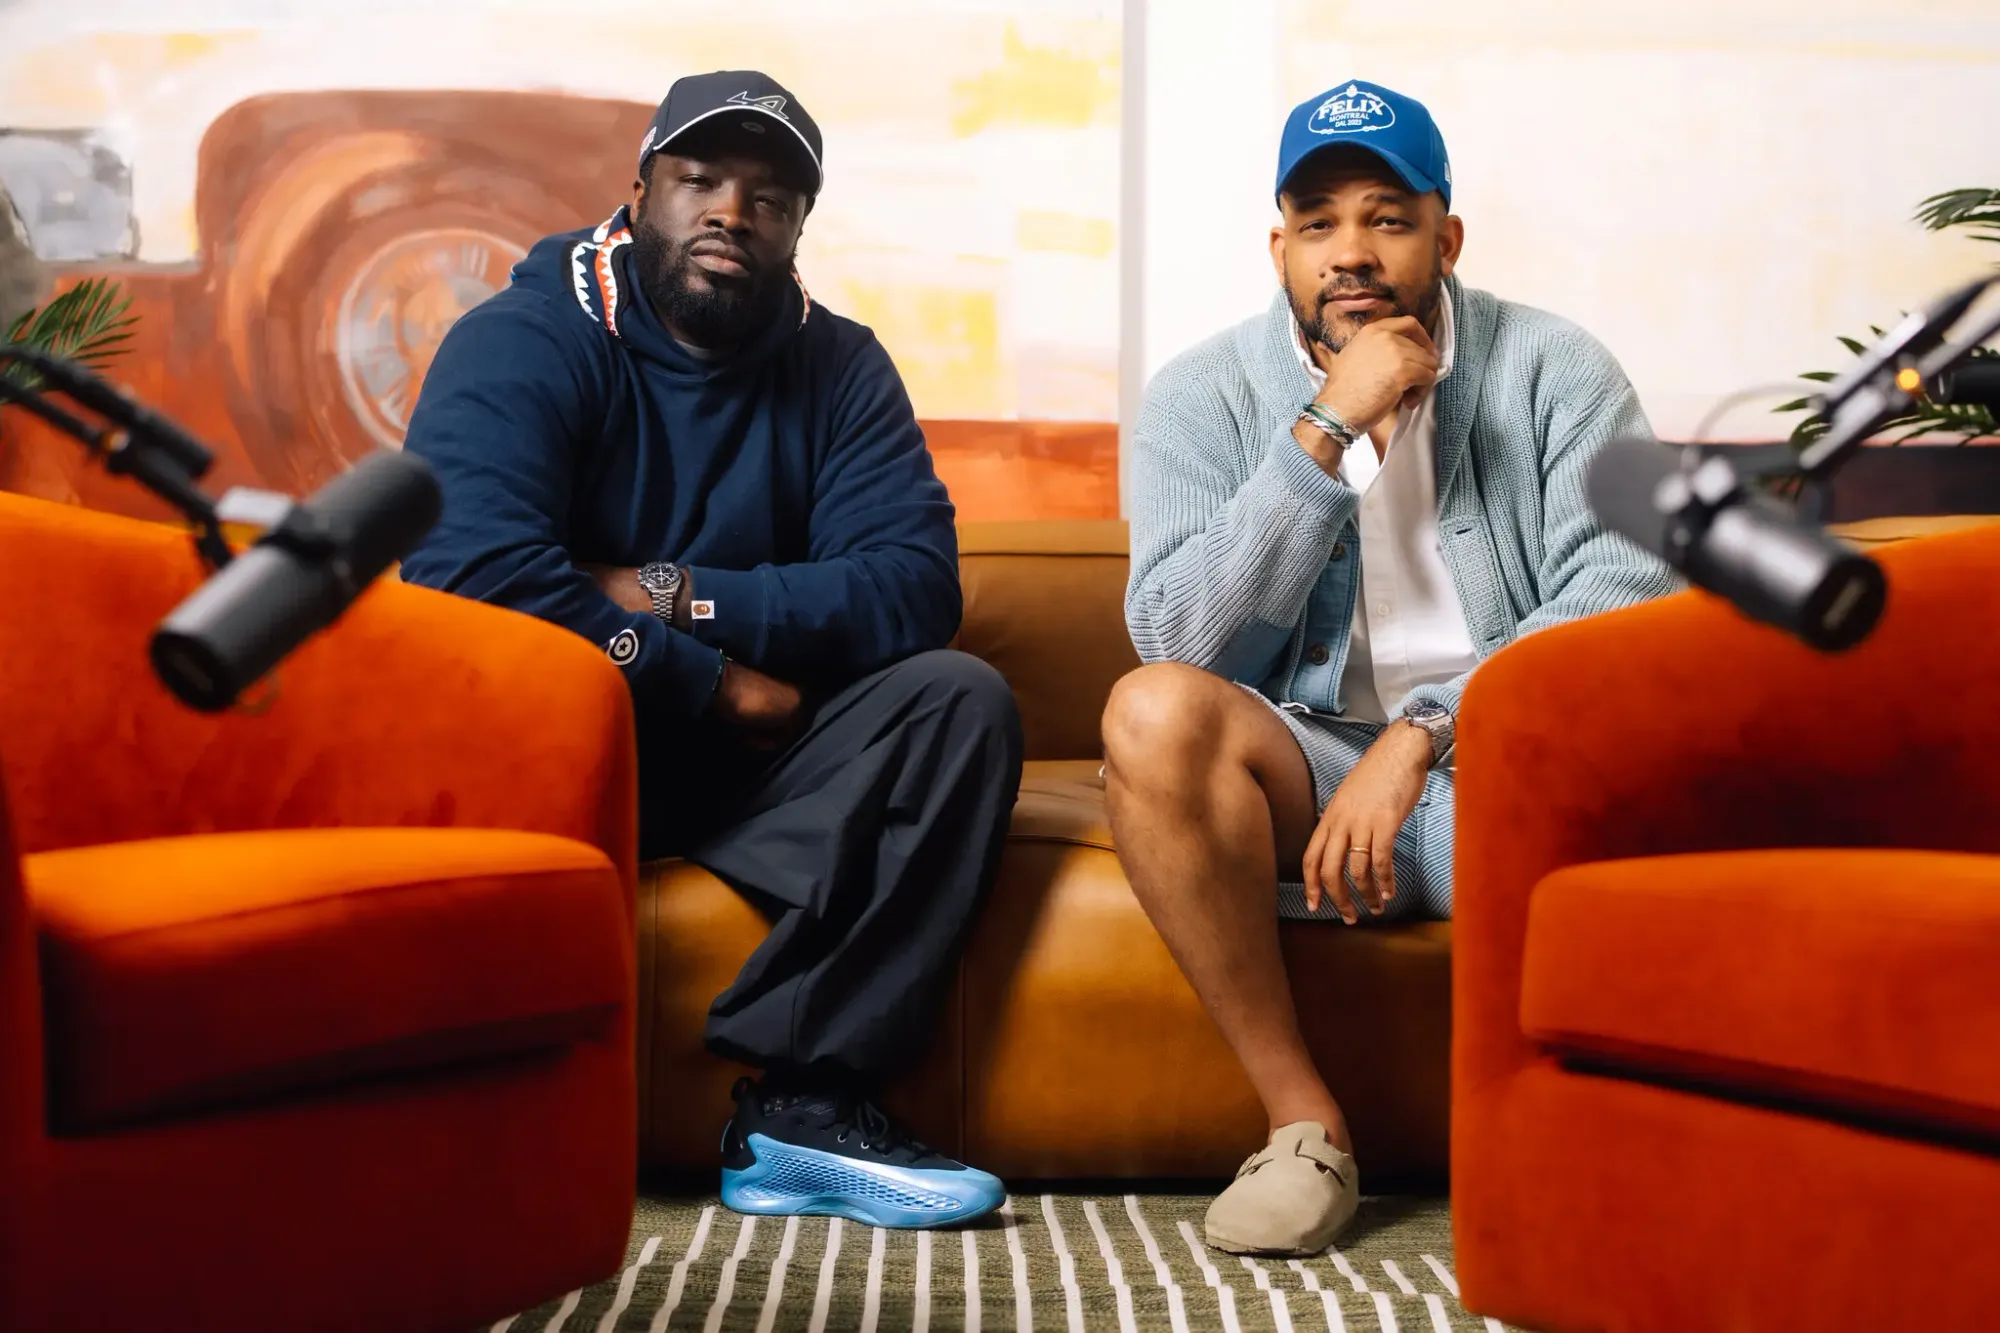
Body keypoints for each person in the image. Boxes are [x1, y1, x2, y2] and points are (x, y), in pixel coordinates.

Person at [397, 71, 1023, 1230]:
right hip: (559, 762)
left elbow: (912, 587)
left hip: (747, 775)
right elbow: (468, 571)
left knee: (956, 700)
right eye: (699, 180)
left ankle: (804, 1109)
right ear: (638, 195)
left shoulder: (838, 367)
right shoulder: (527, 337)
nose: (733, 212)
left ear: (796, 230)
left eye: (770, 196)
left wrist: (679, 592)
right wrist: (707, 680)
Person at [1103, 79, 1676, 1256]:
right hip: (1302, 771)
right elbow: (1179, 643)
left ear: (1444, 237)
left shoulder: (1555, 371)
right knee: (1150, 710)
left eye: (1385, 216)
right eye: (1316, 222)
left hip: (1494, 763)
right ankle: (1303, 1127)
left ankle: (1610, 1138)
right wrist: (1318, 433)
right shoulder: (1199, 397)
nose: (1348, 252)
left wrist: (1423, 732)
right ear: (1279, 248)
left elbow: (1626, 591)